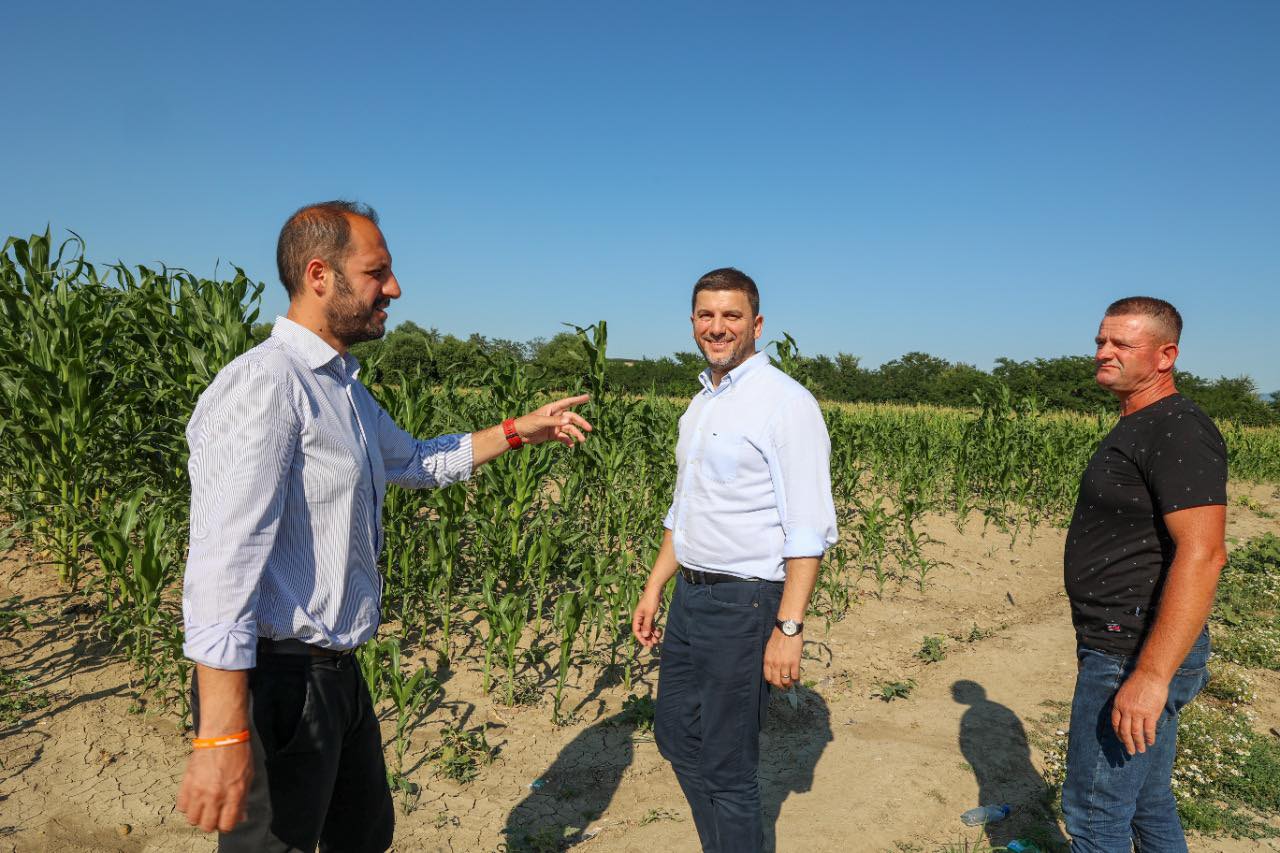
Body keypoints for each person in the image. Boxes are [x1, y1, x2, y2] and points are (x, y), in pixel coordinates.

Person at [175, 200, 592, 852]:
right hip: (279, 682)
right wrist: (222, 734)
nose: (393, 288)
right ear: (319, 276)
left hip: (337, 674)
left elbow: (417, 461)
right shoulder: (267, 385)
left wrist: (518, 430)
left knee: (365, 835)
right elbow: (222, 563)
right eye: (377, 272)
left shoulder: (343, 389)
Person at [631, 268, 837, 853]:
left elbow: (807, 529)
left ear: (757, 324)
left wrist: (788, 629)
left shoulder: (786, 404)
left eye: (731, 315)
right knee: (676, 737)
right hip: (691, 597)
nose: (717, 327)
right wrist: (655, 587)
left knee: (728, 765)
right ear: (693, 322)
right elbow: (686, 508)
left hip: (745, 601)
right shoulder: (701, 403)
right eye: (706, 315)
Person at [1061, 296, 1228, 852]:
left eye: (1121, 344)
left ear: (1165, 356)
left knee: (1094, 815)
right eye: (1100, 341)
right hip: (1122, 642)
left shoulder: (1177, 429)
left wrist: (1151, 677)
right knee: (1147, 803)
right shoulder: (1143, 424)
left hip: (1131, 648)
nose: (1103, 353)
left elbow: (1204, 554)